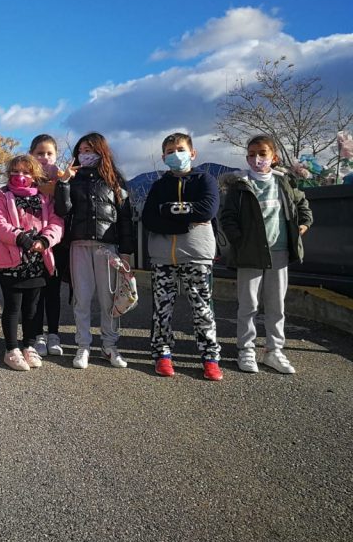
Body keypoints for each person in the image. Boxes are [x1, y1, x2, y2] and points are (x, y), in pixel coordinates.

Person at [220, 134, 312, 374]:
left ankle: (274, 350)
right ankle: (246, 349)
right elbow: (227, 217)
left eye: (262, 154)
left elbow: (302, 204)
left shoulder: (284, 182)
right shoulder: (239, 186)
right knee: (248, 304)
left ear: (274, 157)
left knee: (276, 304)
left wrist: (303, 224)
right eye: (252, 154)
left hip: (279, 252)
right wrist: (240, 240)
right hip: (249, 254)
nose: (257, 159)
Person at [141, 132, 223, 381]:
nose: (175, 155)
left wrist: (167, 210)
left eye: (180, 149)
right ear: (163, 157)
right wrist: (186, 221)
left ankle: (210, 357)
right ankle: (162, 353)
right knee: (161, 309)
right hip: (162, 257)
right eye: (170, 151)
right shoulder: (159, 185)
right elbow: (149, 218)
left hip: (198, 254)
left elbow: (207, 209)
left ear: (192, 153)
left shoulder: (205, 180)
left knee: (202, 308)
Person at [54, 132, 134, 369]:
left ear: (101, 151)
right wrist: (63, 183)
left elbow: (125, 218)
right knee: (81, 298)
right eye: (81, 151)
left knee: (110, 298)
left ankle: (109, 346)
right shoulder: (72, 178)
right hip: (78, 245)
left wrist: (126, 252)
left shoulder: (115, 179)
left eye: (89, 150)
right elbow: (62, 211)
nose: (84, 155)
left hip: (107, 246)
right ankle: (83, 346)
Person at [0, 155, 64, 370]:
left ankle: (29, 346)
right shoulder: (3, 195)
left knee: (32, 308)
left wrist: (45, 240)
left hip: (38, 262)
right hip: (12, 261)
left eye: (26, 171)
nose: (20, 175)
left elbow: (56, 222)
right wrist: (19, 237)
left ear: (35, 175)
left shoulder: (44, 197)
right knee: (12, 307)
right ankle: (11, 349)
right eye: (15, 171)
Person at [30, 134, 70, 356]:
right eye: (39, 153)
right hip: (32, 244)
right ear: (31, 155)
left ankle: (54, 334)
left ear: (56, 156)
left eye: (49, 153)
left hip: (57, 244)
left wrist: (62, 185)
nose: (44, 158)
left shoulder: (65, 179)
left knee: (53, 292)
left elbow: (66, 209)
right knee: (36, 292)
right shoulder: (25, 180)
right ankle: (37, 335)